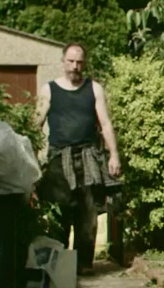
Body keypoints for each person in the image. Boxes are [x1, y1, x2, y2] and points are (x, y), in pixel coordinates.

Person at [35, 43, 122, 275]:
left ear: (84, 63)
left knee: (87, 214)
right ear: (63, 61)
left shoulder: (94, 89)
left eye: (79, 62)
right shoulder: (49, 89)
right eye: (71, 61)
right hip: (58, 159)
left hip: (88, 158)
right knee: (60, 213)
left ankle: (83, 265)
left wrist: (114, 155)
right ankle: (60, 266)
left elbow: (105, 124)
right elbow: (35, 125)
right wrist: (30, 157)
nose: (75, 66)